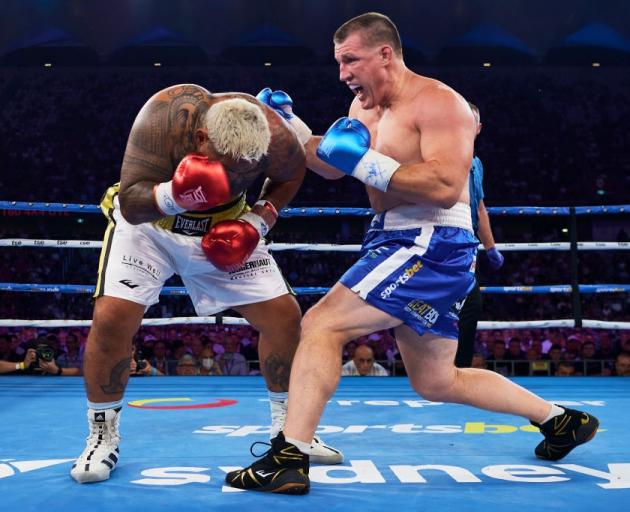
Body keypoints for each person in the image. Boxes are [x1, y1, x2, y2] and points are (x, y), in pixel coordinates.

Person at [227, 12, 599, 494]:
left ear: (385, 54)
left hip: (431, 240)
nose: (343, 73)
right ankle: (560, 421)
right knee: (435, 381)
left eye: (350, 60)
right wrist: (292, 127)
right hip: (395, 238)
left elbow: (445, 186)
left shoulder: (441, 103)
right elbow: (334, 165)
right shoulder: (363, 108)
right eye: (339, 63)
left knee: (321, 324)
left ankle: (288, 455)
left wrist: (364, 160)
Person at [70, 84, 342, 485]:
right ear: (200, 139)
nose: (234, 176)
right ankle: (101, 436)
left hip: (225, 227)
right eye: (225, 165)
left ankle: (290, 434)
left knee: (284, 317)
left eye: (243, 169)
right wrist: (178, 195)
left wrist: (257, 221)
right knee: (112, 317)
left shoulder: (274, 136)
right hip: (149, 228)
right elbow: (130, 200)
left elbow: (292, 173)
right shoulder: (162, 117)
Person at [455, 103, 504, 367]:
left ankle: (458, 369)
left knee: (470, 308)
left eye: (469, 122)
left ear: (478, 128)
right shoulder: (444, 156)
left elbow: (480, 208)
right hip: (444, 243)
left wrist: (491, 247)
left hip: (468, 246)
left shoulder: (476, 163)